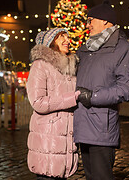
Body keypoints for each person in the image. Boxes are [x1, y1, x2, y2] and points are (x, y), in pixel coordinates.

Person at [74, 0, 129, 180]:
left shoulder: (123, 49)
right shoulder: (85, 49)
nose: (87, 25)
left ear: (105, 21)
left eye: (90, 20)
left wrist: (93, 96)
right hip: (82, 126)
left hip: (101, 128)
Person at [26, 28, 81, 179]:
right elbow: (38, 102)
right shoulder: (40, 65)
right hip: (47, 141)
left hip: (66, 140)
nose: (67, 40)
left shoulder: (72, 67)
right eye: (61, 37)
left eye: (68, 37)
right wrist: (72, 98)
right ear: (51, 42)